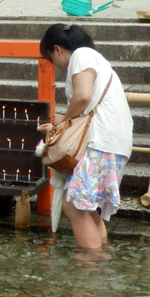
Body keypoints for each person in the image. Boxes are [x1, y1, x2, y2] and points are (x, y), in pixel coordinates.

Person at [38, 23, 133, 250]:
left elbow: (82, 96)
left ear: (57, 49)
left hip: (101, 140)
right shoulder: (96, 59)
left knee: (74, 205)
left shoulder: (81, 55)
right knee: (87, 206)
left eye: (51, 58)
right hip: (113, 141)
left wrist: (64, 119)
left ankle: (91, 263)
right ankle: (101, 257)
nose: (56, 65)